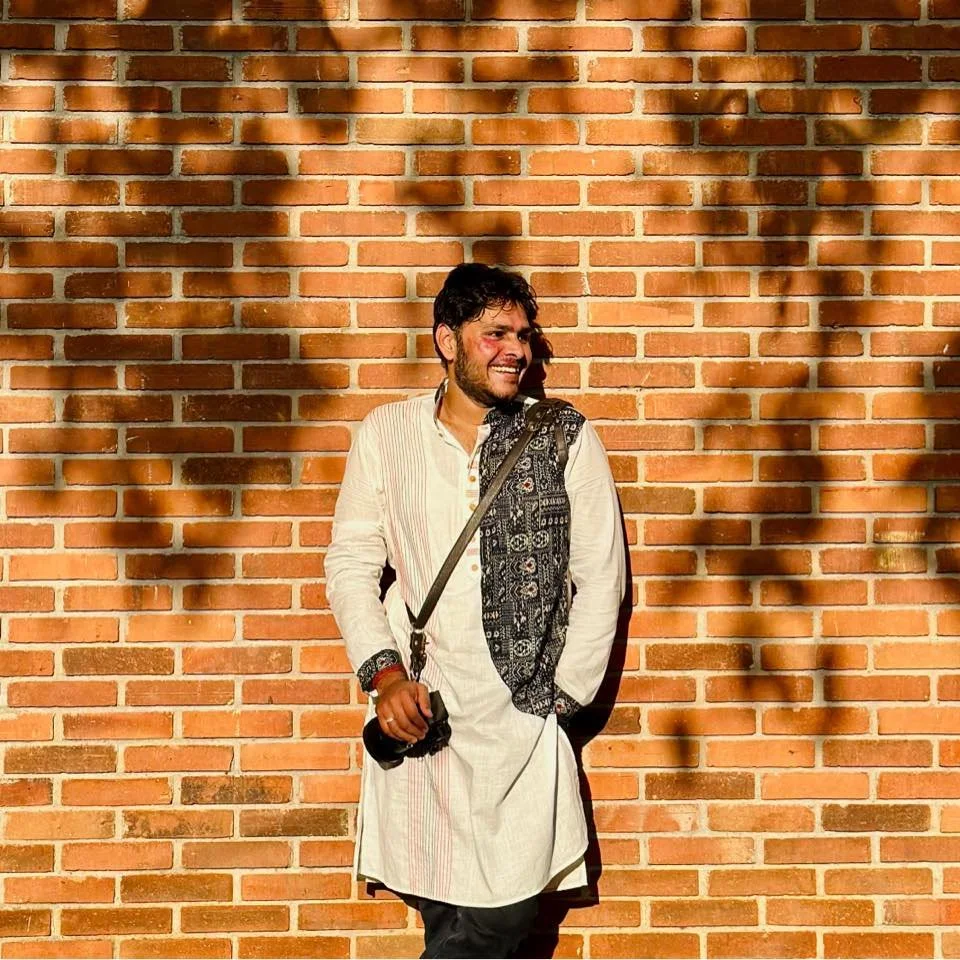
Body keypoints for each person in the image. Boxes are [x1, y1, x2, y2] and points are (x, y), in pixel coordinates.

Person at [325, 263, 626, 959]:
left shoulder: (564, 437)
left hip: (521, 721)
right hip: (421, 714)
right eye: (494, 334)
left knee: (500, 921)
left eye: (523, 335)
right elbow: (350, 564)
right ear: (446, 340)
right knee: (444, 916)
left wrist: (562, 697)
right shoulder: (387, 433)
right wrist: (384, 676)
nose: (515, 349)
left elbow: (601, 576)